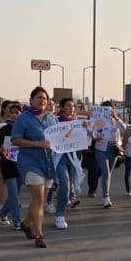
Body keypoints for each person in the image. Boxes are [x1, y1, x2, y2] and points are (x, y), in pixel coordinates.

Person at [11, 87, 54, 248]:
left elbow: (61, 136)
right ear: (31, 100)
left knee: (41, 201)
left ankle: (27, 223)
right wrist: (37, 144)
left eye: (44, 98)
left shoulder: (51, 118)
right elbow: (15, 140)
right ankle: (39, 235)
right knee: (38, 198)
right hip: (30, 162)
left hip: (48, 163)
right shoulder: (23, 118)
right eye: (38, 97)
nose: (42, 100)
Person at [51, 98, 82, 230]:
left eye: (73, 106)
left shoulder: (77, 122)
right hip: (59, 157)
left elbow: (86, 137)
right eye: (68, 106)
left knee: (72, 185)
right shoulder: (55, 121)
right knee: (65, 185)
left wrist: (87, 130)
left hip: (73, 157)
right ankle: (59, 215)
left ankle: (63, 202)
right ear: (62, 107)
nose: (71, 108)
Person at [0, 100, 23, 229]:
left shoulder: (24, 129)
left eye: (17, 113)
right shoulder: (4, 129)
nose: (14, 115)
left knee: (15, 193)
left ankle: (3, 212)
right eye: (12, 113)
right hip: (7, 165)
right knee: (13, 194)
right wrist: (1, 149)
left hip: (21, 165)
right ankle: (17, 221)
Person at [91, 103, 125, 209]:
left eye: (110, 109)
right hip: (101, 149)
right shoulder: (98, 120)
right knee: (105, 172)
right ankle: (106, 197)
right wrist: (95, 136)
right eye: (105, 109)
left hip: (114, 149)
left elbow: (124, 130)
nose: (108, 111)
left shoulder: (115, 121)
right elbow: (91, 132)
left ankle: (105, 194)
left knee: (108, 173)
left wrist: (116, 117)